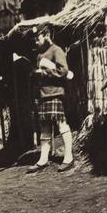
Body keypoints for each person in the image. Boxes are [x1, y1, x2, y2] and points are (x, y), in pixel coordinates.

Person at [29, 25, 75, 172]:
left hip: (54, 93)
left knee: (61, 124)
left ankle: (68, 157)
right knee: (44, 127)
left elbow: (63, 71)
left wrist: (45, 73)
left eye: (38, 38)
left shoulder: (56, 50)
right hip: (43, 94)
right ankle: (43, 159)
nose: (36, 41)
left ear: (47, 35)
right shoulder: (39, 55)